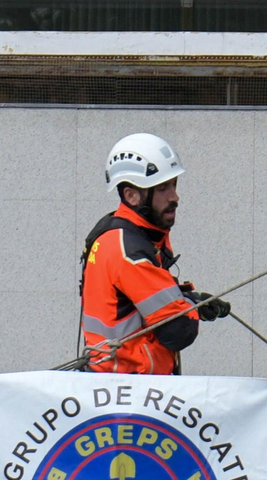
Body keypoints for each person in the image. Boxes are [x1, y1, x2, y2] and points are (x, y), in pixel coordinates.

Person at [80, 133, 231, 374]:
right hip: (130, 391)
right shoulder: (130, 252)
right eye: (162, 188)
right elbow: (178, 331)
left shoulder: (114, 233)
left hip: (110, 384)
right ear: (132, 195)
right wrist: (191, 307)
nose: (174, 197)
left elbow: (134, 303)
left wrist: (188, 301)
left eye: (173, 184)